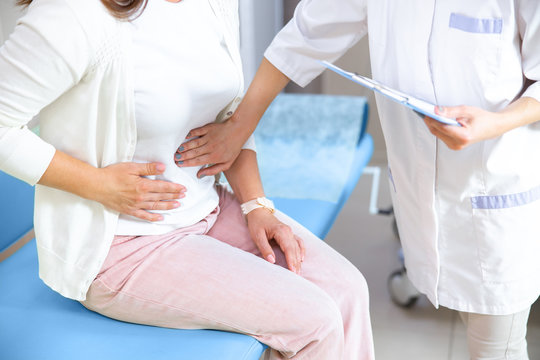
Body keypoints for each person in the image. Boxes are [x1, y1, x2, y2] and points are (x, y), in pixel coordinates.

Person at [0, 0, 375, 359]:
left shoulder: (213, 3)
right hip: (121, 244)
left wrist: (256, 204)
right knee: (315, 321)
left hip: (208, 209)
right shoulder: (72, 14)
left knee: (348, 291)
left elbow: (227, 112)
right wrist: (99, 185)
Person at [175, 1, 540, 359]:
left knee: (497, 347)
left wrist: (494, 123)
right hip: (421, 192)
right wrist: (240, 126)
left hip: (496, 191)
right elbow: (304, 35)